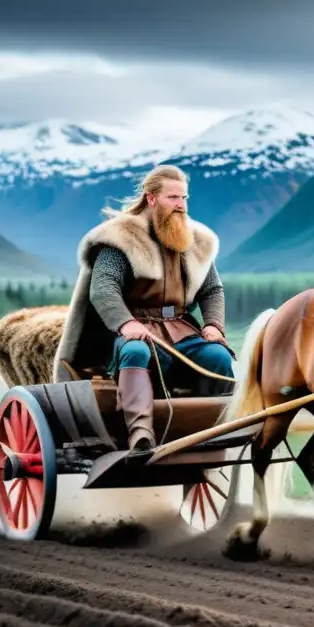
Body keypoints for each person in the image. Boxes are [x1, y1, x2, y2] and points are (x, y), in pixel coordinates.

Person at [51, 164, 235, 462]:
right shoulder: (121, 238)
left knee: (219, 357)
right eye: (173, 198)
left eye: (184, 198)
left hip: (180, 328)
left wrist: (213, 325)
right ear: (152, 199)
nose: (181, 205)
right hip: (134, 327)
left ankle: (213, 430)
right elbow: (104, 289)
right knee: (135, 352)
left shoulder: (194, 240)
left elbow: (212, 289)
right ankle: (140, 433)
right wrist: (126, 324)